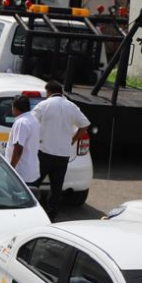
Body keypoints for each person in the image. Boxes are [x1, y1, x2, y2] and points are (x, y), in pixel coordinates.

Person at [33, 80, 90, 219]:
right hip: (63, 156)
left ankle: (32, 211)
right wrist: (74, 139)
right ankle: (51, 215)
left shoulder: (43, 105)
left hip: (44, 153)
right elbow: (85, 124)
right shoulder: (72, 107)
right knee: (56, 188)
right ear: (62, 92)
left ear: (48, 92)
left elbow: (31, 123)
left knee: (34, 184)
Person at [6, 95, 41, 185]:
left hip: (20, 174)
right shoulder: (33, 119)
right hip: (32, 172)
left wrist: (11, 170)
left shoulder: (21, 123)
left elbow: (18, 149)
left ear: (15, 108)